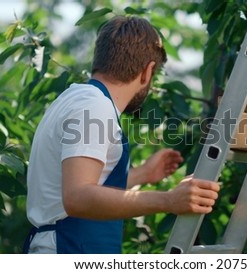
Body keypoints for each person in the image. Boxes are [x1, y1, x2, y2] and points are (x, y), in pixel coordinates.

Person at [24, 15, 220, 254]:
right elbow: (77, 196)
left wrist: (143, 174)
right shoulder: (93, 107)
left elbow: (83, 182)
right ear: (148, 72)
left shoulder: (76, 98)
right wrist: (168, 200)